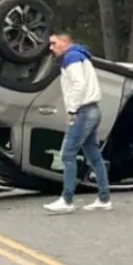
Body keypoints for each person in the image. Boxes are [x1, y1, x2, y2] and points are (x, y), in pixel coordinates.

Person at [42, 33, 112, 214]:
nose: (51, 47)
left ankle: (67, 200)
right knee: (94, 155)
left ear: (65, 42)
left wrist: (72, 109)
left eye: (54, 43)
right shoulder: (81, 56)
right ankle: (104, 198)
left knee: (67, 154)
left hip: (83, 111)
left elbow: (78, 85)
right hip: (92, 110)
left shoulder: (71, 57)